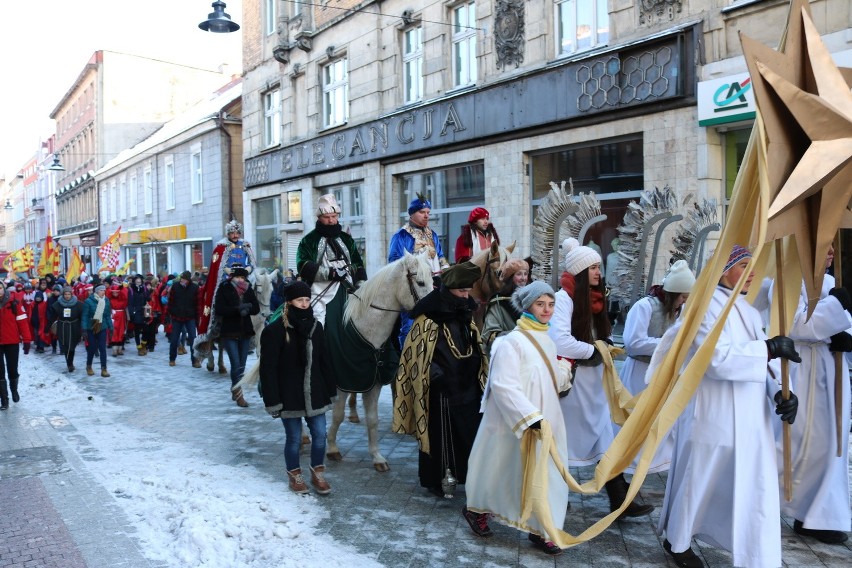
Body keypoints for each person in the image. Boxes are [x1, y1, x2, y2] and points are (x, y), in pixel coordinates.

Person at [657, 244, 801, 568]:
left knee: (753, 487)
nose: (751, 273)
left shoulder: (750, 311)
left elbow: (765, 366)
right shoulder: (703, 306)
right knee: (700, 480)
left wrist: (779, 392)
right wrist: (769, 347)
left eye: (753, 266)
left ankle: (755, 554)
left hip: (752, 419)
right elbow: (718, 360)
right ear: (723, 270)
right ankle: (678, 541)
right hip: (712, 413)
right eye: (743, 266)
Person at [549, 237, 654, 518]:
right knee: (563, 443)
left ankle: (620, 499)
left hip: (595, 382)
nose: (599, 271)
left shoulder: (595, 298)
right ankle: (554, 495)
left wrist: (604, 343)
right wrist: (594, 350)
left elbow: (598, 334)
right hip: (573, 385)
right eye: (593, 267)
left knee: (605, 438)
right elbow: (559, 341)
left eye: (598, 266)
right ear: (581, 272)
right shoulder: (563, 299)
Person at [464, 281, 572, 555]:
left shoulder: (548, 340)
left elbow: (548, 382)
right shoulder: (510, 342)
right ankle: (477, 508)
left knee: (545, 471)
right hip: (512, 422)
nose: (547, 310)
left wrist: (565, 370)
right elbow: (503, 384)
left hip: (545, 421)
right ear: (528, 307)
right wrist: (529, 416)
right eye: (540, 304)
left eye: (550, 304)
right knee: (499, 468)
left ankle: (543, 527)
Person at [774, 244, 851, 545]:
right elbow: (792, 325)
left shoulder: (831, 283)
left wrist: (846, 340)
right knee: (802, 442)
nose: (831, 252)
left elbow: (842, 325)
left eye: (832, 246)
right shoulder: (785, 281)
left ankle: (816, 516)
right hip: (802, 369)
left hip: (831, 372)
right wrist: (835, 312)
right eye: (823, 247)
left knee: (833, 445)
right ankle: (777, 498)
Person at [392, 261, 488, 498]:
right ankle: (435, 479)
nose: (466, 296)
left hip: (467, 385)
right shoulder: (428, 317)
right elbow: (414, 353)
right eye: (461, 292)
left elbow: (474, 342)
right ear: (449, 289)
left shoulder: (464, 312)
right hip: (440, 388)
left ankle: (468, 476)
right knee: (439, 436)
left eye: (468, 291)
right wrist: (434, 372)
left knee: (468, 432)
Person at [259, 281, 337, 495]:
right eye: (299, 300)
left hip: (315, 392)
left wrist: (330, 390)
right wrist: (273, 400)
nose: (304, 304)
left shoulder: (316, 327)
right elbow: (268, 369)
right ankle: (295, 474)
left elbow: (324, 361)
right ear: (289, 302)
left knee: (320, 435)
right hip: (289, 394)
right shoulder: (275, 331)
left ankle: (317, 472)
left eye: (306, 300)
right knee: (294, 438)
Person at [619, 259, 695, 472]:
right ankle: (629, 462)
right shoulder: (645, 306)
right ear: (672, 293)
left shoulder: (681, 309)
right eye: (682, 297)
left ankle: (658, 462)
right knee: (637, 418)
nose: (683, 302)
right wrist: (669, 344)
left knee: (660, 419)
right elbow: (633, 342)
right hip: (639, 373)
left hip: (663, 374)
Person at [388, 194, 450, 347]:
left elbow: (440, 256)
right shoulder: (401, 235)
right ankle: (406, 359)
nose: (426, 215)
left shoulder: (432, 234)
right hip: (412, 288)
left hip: (434, 285)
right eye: (422, 212)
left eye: (428, 212)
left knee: (435, 323)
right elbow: (394, 261)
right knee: (410, 325)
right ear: (412, 213)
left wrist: (447, 272)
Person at [296, 193, 367, 326]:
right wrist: (331, 273)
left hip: (347, 286)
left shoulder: (347, 239)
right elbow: (303, 265)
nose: (331, 221)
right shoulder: (308, 240)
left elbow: (358, 263)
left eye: (334, 217)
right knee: (317, 321)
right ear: (319, 217)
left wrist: (361, 286)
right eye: (327, 217)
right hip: (319, 290)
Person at [195, 220, 257, 359]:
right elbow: (217, 266)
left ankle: (248, 333)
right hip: (226, 281)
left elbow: (253, 263)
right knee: (216, 303)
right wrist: (228, 271)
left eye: (237, 232)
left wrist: (247, 269)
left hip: (243, 279)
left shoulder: (245, 245)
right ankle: (213, 332)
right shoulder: (221, 247)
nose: (235, 235)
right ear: (228, 233)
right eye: (232, 232)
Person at [215, 264, 260, 407]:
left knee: (242, 365)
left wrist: (248, 308)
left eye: (243, 277)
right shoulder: (224, 287)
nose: (240, 280)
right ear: (232, 277)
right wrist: (236, 309)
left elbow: (256, 308)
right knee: (236, 365)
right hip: (229, 331)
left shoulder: (248, 288)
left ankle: (235, 388)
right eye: (238, 277)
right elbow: (220, 309)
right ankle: (239, 393)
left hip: (245, 331)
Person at [481, 258, 529, 356]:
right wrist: (517, 336)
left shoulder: (531, 299)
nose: (523, 278)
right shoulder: (498, 302)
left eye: (525, 274)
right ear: (510, 277)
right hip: (507, 355)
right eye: (519, 274)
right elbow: (489, 334)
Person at [0, 280, 33, 409]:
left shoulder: (14, 302)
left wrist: (27, 340)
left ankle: (14, 390)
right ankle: (4, 399)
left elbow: (23, 323)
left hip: (12, 341)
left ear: (4, 288)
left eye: (0, 288)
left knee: (12, 370)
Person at [168, 271, 201, 368]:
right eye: (181, 278)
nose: (182, 280)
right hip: (177, 316)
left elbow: (198, 304)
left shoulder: (195, 288)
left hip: (190, 317)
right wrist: (170, 312)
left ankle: (195, 360)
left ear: (188, 279)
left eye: (184, 279)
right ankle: (172, 358)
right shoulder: (175, 286)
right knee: (174, 339)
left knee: (193, 339)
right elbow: (170, 301)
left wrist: (197, 317)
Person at [82, 284, 114, 377]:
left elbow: (107, 315)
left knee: (102, 348)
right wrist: (84, 329)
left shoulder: (106, 300)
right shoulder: (88, 301)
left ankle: (104, 369)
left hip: (102, 326)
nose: (103, 292)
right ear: (96, 291)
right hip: (91, 326)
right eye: (101, 290)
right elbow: (85, 316)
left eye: (104, 290)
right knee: (92, 348)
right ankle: (89, 366)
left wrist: (111, 327)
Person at [51, 286, 84, 373]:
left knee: (72, 346)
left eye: (69, 294)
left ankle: (70, 363)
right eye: (65, 294)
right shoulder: (58, 304)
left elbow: (82, 318)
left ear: (71, 294)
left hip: (74, 326)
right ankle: (69, 364)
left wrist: (83, 329)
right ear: (63, 294)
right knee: (66, 346)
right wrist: (48, 328)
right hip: (63, 326)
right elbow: (53, 317)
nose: (67, 296)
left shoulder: (78, 304)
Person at [108, 279, 129, 356]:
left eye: (117, 292)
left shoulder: (123, 298)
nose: (115, 294)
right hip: (113, 316)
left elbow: (125, 294)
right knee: (114, 332)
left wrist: (121, 287)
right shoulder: (110, 299)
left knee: (121, 331)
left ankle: (120, 349)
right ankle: (114, 350)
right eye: (113, 292)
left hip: (121, 316)